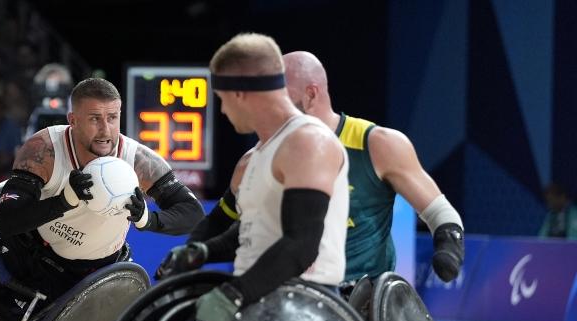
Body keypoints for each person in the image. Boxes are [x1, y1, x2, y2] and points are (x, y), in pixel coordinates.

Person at [173, 50, 465, 286]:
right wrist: (191, 251)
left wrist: (448, 250)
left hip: (361, 298)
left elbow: (440, 213)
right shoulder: (254, 159)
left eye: (280, 96)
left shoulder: (378, 144)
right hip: (286, 292)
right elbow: (221, 223)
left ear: (311, 95)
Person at [0, 77, 204, 321]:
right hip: (35, 257)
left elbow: (193, 213)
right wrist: (65, 201)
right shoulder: (45, 148)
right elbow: (8, 220)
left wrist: (148, 220)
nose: (105, 130)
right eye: (95, 118)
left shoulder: (138, 160)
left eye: (112, 118)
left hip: (94, 272)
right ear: (72, 120)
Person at [164, 33, 350, 321]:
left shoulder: (307, 141)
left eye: (222, 99)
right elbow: (252, 233)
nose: (223, 111)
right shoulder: (257, 155)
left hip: (302, 307)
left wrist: (234, 295)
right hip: (260, 297)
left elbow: (302, 245)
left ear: (239, 93)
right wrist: (203, 252)